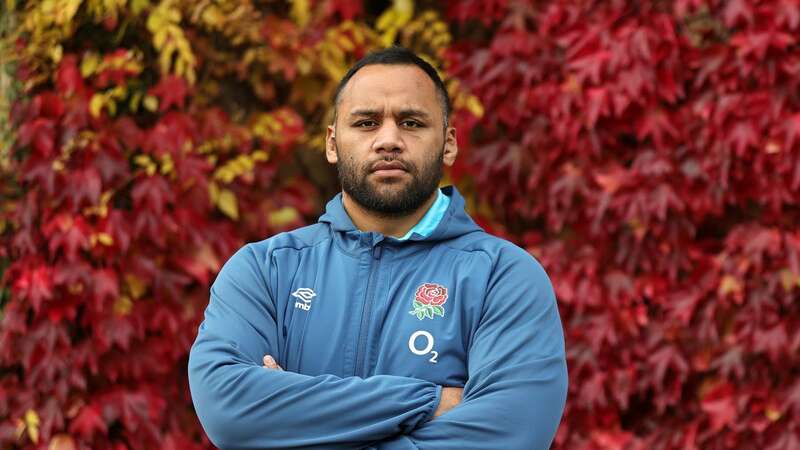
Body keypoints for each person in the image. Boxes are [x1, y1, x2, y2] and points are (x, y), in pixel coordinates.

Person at [188, 46, 568, 450]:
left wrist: (292, 413)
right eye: (367, 123)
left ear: (449, 143)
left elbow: (511, 435)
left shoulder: (503, 277)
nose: (389, 140)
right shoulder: (266, 271)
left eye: (411, 122)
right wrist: (430, 399)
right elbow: (229, 409)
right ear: (333, 144)